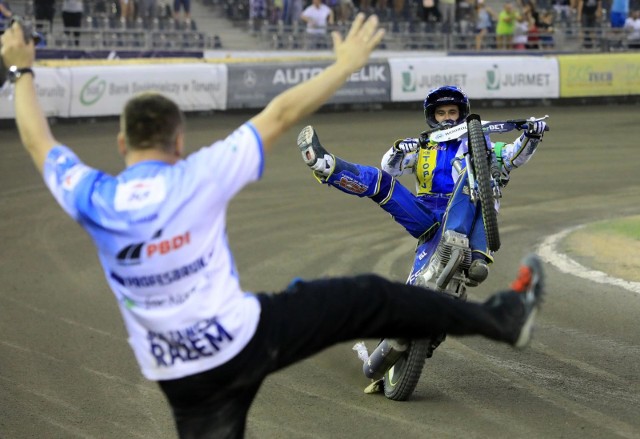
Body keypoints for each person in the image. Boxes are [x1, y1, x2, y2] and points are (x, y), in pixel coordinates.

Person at [1, 16, 545, 439]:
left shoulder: (93, 194)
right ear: (181, 140)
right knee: (371, 297)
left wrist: (21, 69)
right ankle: (501, 318)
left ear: (121, 145)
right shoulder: (202, 172)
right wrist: (346, 63)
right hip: (243, 339)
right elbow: (282, 114)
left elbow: (36, 141)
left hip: (177, 377)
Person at [297, 85, 548, 288]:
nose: (447, 118)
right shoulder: (421, 145)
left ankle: (478, 257)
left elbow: (514, 157)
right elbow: (390, 168)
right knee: (382, 183)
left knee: (486, 185)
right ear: (433, 117)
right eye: (441, 113)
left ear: (461, 114)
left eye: (452, 112)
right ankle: (327, 166)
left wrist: (532, 135)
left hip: (462, 208)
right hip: (426, 215)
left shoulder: (482, 145)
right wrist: (397, 149)